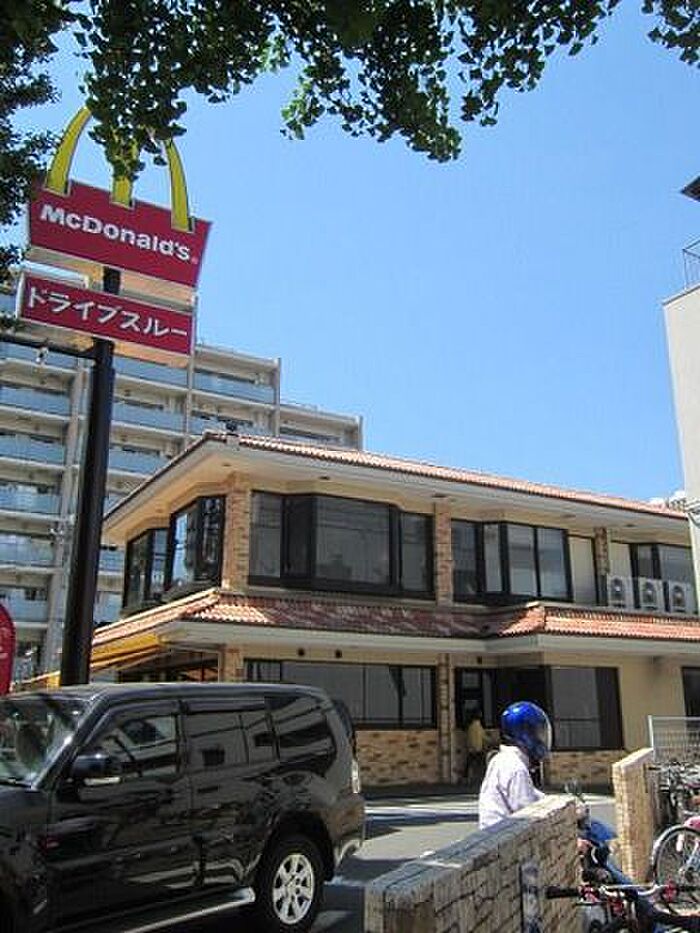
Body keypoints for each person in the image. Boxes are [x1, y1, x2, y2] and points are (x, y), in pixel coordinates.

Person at [478, 700, 551, 830]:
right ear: (527, 735)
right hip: (504, 837)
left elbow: (531, 793)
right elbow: (527, 812)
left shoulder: (502, 759)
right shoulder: (516, 768)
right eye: (539, 733)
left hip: (493, 833)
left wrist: (553, 802)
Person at [464, 708, 486, 786]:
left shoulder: (470, 726)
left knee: (469, 763)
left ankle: (467, 778)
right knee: (481, 764)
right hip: (478, 748)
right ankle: (482, 777)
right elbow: (483, 737)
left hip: (471, 748)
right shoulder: (478, 726)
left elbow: (469, 738)